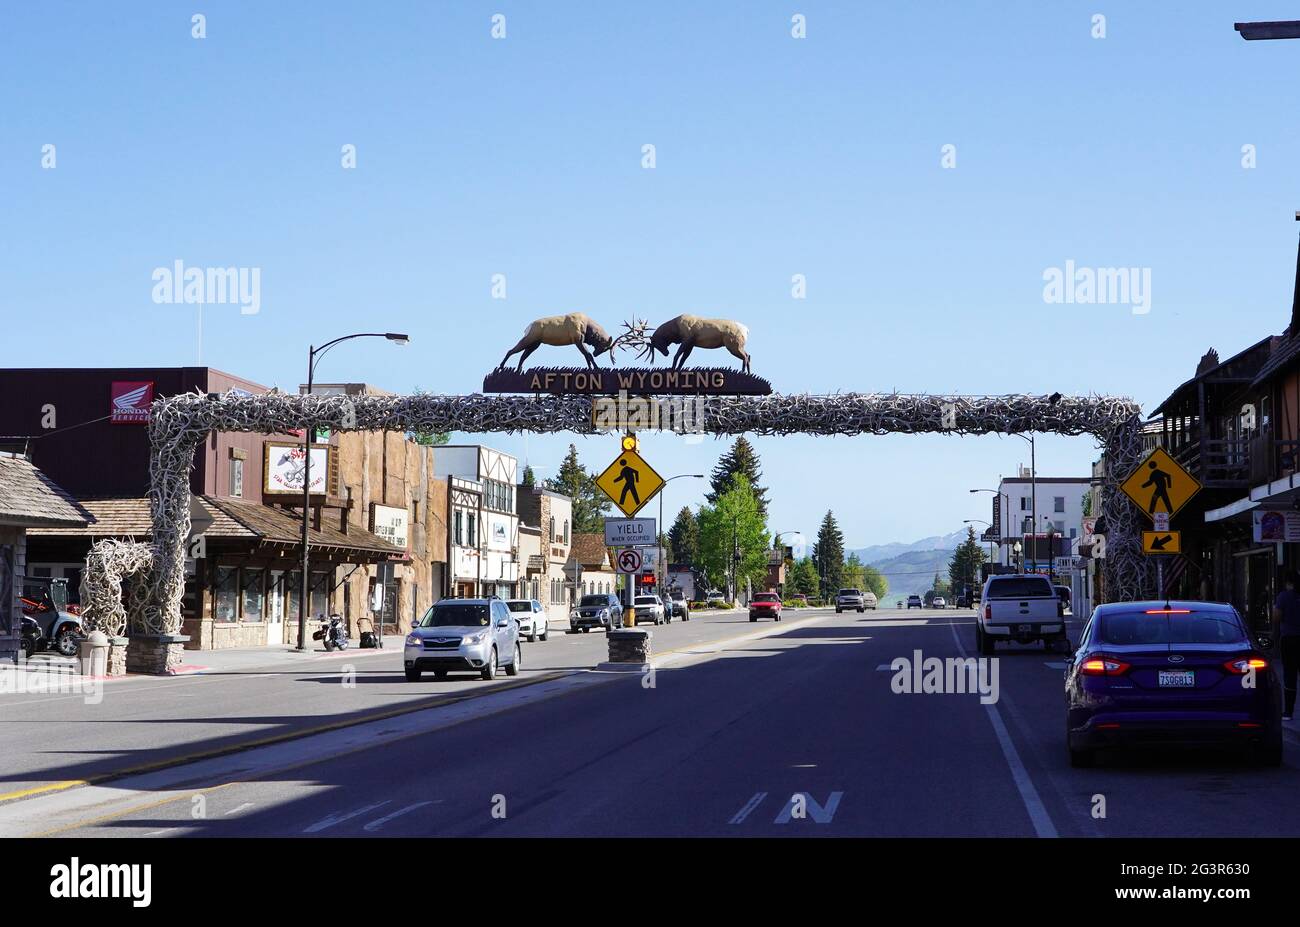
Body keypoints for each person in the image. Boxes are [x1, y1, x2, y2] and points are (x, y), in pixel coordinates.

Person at [1271, 572, 1300, 721]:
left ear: (1288, 582)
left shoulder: (1284, 597)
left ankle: (1288, 712)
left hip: (1289, 639)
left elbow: (1276, 617)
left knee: (1290, 674)